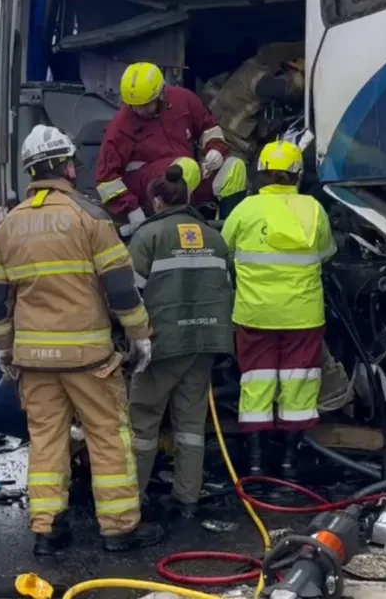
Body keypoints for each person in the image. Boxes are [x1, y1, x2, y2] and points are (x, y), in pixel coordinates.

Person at [0, 124, 165, 555]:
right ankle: (118, 529)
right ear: (67, 166)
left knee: (46, 439)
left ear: (30, 171)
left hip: (34, 359)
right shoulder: (91, 217)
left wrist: (6, 347)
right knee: (107, 436)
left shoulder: (6, 227)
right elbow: (121, 288)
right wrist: (140, 335)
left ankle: (47, 530)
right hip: (88, 359)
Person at [126, 158, 234, 518]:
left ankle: (132, 500)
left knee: (143, 423)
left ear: (157, 202)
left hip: (161, 344)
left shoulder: (148, 237)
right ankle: (187, 499)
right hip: (204, 342)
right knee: (190, 424)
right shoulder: (215, 238)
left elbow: (130, 295)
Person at [221, 140, 335, 477]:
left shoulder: (245, 209)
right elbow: (327, 252)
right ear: (297, 175)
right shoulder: (313, 209)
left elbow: (223, 249)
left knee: (256, 383)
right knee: (298, 384)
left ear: (260, 175)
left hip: (254, 314)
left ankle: (256, 464)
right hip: (303, 314)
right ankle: (289, 463)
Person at [96, 61, 248, 234]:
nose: (139, 110)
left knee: (235, 168)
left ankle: (227, 234)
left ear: (161, 94)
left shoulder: (184, 100)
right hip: (149, 188)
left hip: (190, 176)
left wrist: (215, 150)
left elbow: (209, 129)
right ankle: (176, 232)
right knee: (186, 167)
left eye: (145, 104)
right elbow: (106, 180)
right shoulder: (120, 125)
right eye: (133, 105)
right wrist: (132, 210)